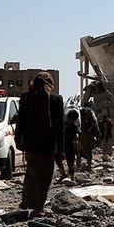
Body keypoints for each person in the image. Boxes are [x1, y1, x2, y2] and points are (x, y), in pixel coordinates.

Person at [15, 72, 64, 217]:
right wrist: (60, 149)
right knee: (45, 176)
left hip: (30, 143)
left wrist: (19, 142)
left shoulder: (25, 97)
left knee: (31, 173)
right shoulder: (56, 99)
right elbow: (60, 127)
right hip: (48, 144)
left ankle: (26, 203)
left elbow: (20, 122)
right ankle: (39, 208)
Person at [78, 106, 99, 171]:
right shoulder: (90, 111)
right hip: (88, 134)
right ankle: (89, 165)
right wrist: (95, 131)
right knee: (88, 149)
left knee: (79, 149)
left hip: (79, 133)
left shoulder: (79, 111)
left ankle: (77, 166)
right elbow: (95, 121)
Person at [61, 109, 80, 181]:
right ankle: (69, 175)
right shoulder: (73, 126)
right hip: (68, 145)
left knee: (70, 162)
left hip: (69, 145)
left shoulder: (66, 125)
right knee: (69, 161)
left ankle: (72, 177)